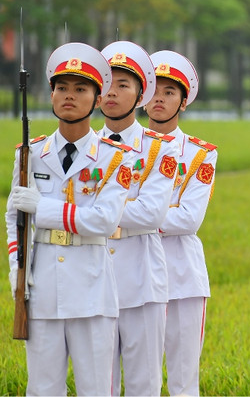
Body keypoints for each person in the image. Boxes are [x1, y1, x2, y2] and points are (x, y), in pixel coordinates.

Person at [5, 42, 134, 395]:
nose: (68, 96)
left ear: (96, 98)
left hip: (92, 290)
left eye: (80, 89)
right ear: (51, 94)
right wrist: (18, 271)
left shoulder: (115, 158)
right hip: (42, 286)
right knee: (42, 388)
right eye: (61, 88)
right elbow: (14, 215)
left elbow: (105, 221)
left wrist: (43, 210)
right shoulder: (31, 154)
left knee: (96, 389)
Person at [97, 40, 179, 396]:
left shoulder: (161, 148)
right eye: (106, 85)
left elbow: (152, 213)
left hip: (142, 277)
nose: (112, 93)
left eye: (123, 85)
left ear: (141, 94)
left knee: (144, 383)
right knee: (98, 383)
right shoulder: (84, 146)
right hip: (93, 274)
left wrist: (90, 214)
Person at [146, 50, 216, 396]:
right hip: (134, 269)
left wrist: (133, 216)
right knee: (139, 378)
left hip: (182, 275)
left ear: (183, 101)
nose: (159, 98)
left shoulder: (201, 154)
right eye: (154, 90)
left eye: (170, 92)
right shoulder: (121, 149)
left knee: (184, 379)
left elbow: (189, 219)